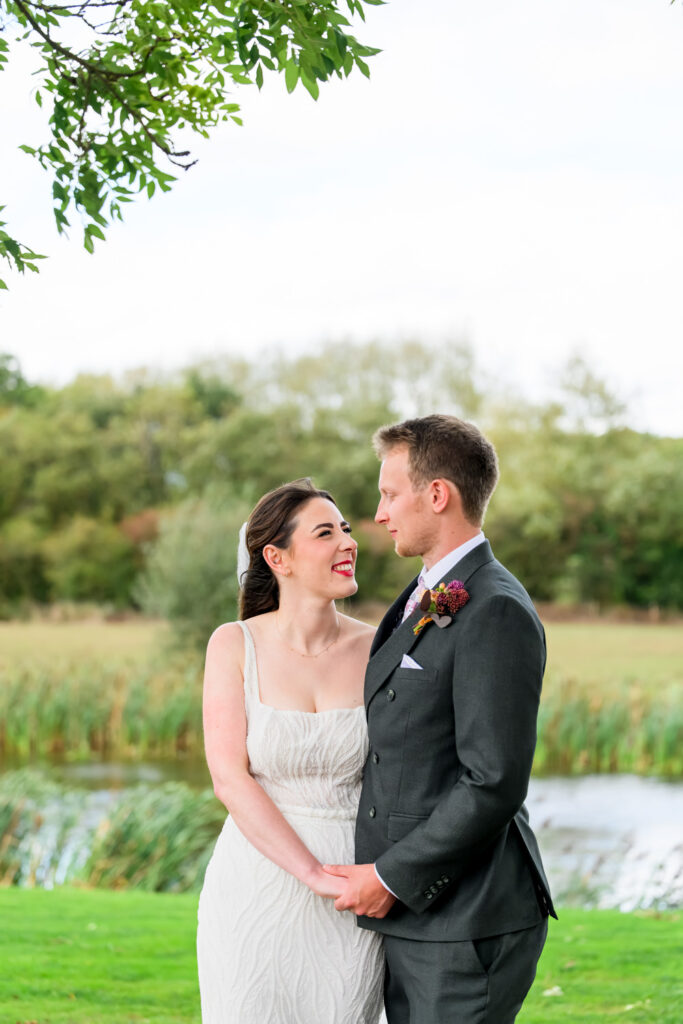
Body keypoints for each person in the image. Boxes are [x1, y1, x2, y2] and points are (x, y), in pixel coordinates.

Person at [324, 414, 556, 1024]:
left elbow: (494, 781)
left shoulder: (495, 608)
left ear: (437, 494)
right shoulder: (427, 590)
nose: (378, 513)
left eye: (389, 493)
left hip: (465, 921)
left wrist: (391, 877)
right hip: (425, 920)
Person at [196, 479, 385, 1023]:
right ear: (277, 557)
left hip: (354, 889)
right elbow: (230, 778)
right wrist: (312, 873)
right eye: (326, 533)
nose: (348, 542)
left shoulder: (380, 647)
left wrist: (373, 878)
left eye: (346, 529)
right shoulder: (233, 644)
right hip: (256, 884)